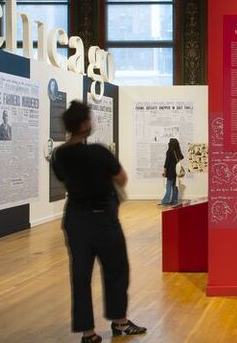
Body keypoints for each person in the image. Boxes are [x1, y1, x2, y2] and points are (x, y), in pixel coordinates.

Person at [52, 101, 146, 343]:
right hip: (103, 218)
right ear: (84, 124)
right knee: (116, 270)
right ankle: (120, 323)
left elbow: (64, 179)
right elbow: (122, 178)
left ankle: (88, 333)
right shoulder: (99, 152)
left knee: (80, 276)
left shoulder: (59, 154)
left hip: (75, 219)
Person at [161, 138, 183, 206]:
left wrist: (164, 171)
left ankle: (165, 201)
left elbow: (166, 162)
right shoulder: (177, 151)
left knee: (168, 187)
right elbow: (182, 157)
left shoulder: (169, 151)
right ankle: (174, 201)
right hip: (175, 171)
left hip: (170, 171)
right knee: (174, 186)